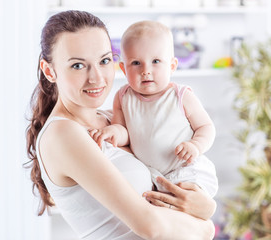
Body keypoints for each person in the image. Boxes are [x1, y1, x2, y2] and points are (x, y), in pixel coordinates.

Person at [26, 10, 215, 240]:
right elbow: (151, 226)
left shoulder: (114, 121)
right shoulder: (62, 134)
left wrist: (205, 207)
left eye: (104, 61)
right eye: (77, 65)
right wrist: (207, 226)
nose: (96, 78)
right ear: (50, 71)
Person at [90, 20, 218, 198]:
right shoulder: (123, 97)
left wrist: (195, 146)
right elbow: (125, 132)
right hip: (152, 175)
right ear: (123, 69)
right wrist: (113, 132)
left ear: (172, 66)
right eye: (136, 63)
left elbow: (206, 127)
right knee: (158, 207)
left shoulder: (181, 96)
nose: (146, 70)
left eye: (156, 61)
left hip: (185, 168)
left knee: (187, 201)